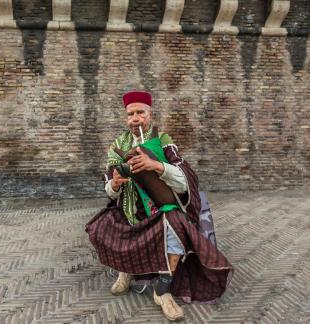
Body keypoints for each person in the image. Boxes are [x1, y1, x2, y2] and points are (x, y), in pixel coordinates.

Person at [86, 91, 233, 321]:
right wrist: (114, 183)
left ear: (149, 114)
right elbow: (109, 187)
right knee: (102, 227)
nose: (135, 118)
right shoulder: (117, 145)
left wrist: (156, 165)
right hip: (130, 209)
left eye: (140, 113)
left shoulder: (162, 139)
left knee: (177, 225)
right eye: (130, 114)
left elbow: (186, 178)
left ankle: (162, 290)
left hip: (161, 209)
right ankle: (127, 271)